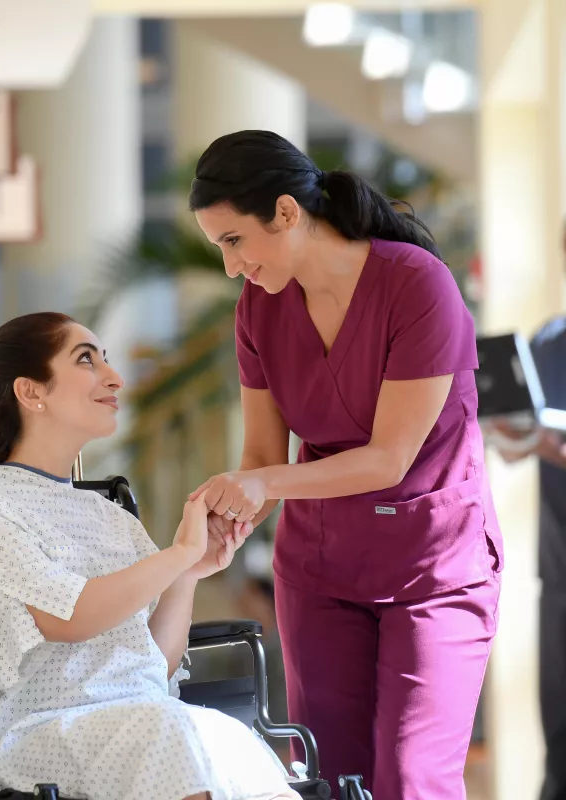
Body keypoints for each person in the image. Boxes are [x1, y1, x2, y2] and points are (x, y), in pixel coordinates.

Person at [186, 130, 502, 800]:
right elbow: (263, 458)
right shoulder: (259, 310)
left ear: (287, 212)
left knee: (412, 778)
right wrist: (224, 525)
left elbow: (389, 459)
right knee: (331, 778)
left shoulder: (418, 286)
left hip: (434, 569)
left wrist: (263, 483)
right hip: (321, 569)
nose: (231, 267)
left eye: (234, 241)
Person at [0, 312, 300, 800]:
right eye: (86, 359)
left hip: (134, 720)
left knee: (226, 740)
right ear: (31, 392)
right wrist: (177, 554)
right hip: (27, 733)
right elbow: (70, 617)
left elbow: (154, 662)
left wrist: (189, 573)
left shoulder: (111, 516)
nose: (114, 377)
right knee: (171, 740)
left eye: (106, 359)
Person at [485, 315, 566, 800]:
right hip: (558, 573)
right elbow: (514, 449)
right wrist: (509, 431)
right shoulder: (550, 340)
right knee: (559, 737)